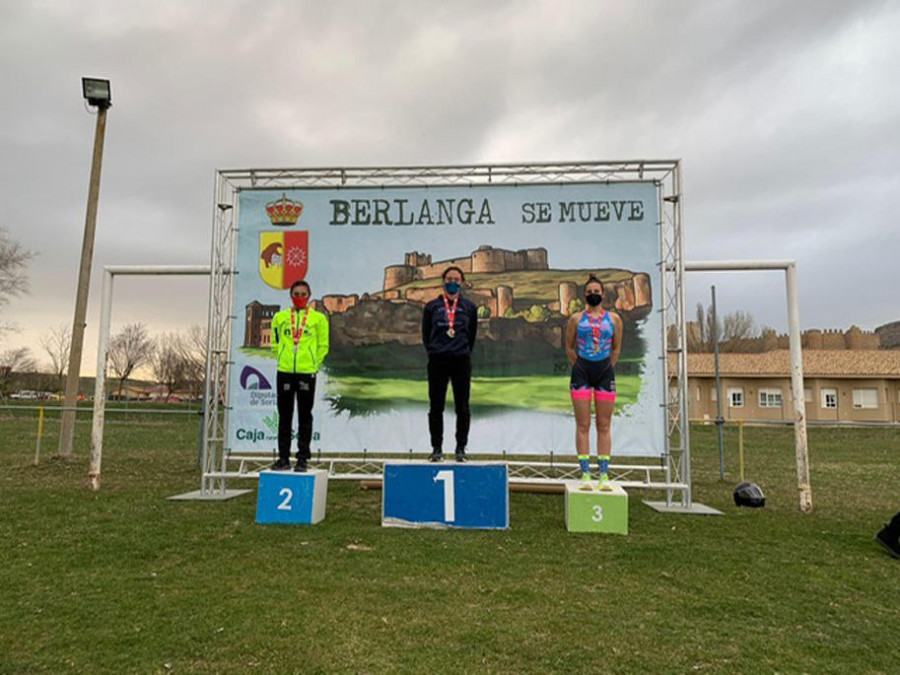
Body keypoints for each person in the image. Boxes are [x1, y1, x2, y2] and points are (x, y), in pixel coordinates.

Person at [565, 275, 622, 490]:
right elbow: (569, 347)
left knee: (604, 424)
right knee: (583, 424)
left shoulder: (614, 319)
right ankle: (586, 474)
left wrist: (609, 366)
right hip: (581, 373)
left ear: (603, 294)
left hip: (604, 373)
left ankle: (604, 475)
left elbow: (616, 347)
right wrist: (578, 365)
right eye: (589, 292)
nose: (593, 294)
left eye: (597, 291)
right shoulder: (576, 319)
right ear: (584, 295)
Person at [269, 280, 329, 472]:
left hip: (306, 372)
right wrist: (281, 357)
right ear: (291, 296)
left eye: (303, 294)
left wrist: (314, 364)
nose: (300, 298)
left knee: (305, 416)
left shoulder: (318, 319)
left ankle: (303, 458)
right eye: (296, 294)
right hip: (285, 372)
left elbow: (323, 345)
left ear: (309, 296)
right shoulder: (280, 317)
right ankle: (283, 458)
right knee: (284, 416)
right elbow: (275, 341)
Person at [422, 266, 479, 462]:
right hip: (438, 360)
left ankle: (460, 448)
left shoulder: (470, 308)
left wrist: (462, 351)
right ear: (443, 281)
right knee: (436, 406)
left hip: (461, 360)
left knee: (462, 407)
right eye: (448, 278)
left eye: (456, 279)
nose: (452, 282)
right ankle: (436, 448)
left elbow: (471, 336)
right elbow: (426, 335)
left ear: (462, 282)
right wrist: (434, 350)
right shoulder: (431, 307)